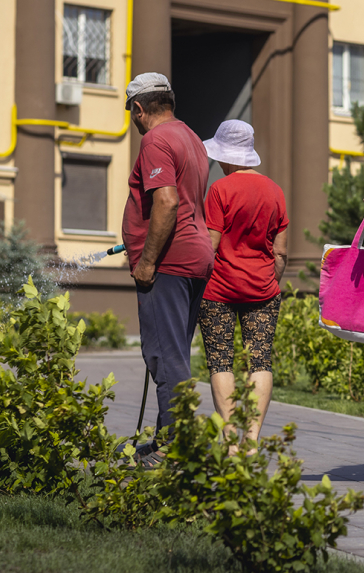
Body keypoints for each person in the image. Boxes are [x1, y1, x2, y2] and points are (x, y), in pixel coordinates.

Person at [121, 72, 214, 467]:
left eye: (132, 113)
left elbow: (168, 202)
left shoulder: (155, 139)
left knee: (163, 356)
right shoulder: (191, 137)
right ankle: (165, 439)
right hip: (195, 256)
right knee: (175, 353)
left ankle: (174, 446)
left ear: (139, 108)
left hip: (170, 261)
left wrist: (146, 262)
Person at [198, 119, 288, 446]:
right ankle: (251, 439)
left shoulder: (220, 190)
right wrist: (267, 281)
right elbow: (281, 252)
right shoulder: (274, 191)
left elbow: (210, 245)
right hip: (263, 291)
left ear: (228, 155)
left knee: (221, 361)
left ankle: (231, 440)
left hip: (218, 290)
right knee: (260, 361)